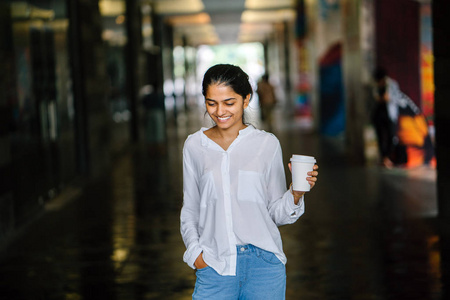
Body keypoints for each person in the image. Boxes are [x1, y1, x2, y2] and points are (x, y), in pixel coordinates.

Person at [180, 64, 319, 299]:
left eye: (229, 102)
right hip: (214, 265)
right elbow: (190, 208)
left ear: (246, 100)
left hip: (264, 267)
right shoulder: (194, 146)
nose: (219, 111)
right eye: (211, 103)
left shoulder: (267, 144)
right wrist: (196, 255)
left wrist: (295, 194)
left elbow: (276, 213)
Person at [372, 67, 435, 168]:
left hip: (404, 118)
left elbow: (388, 99)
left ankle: (388, 159)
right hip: (395, 117)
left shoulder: (391, 86)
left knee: (392, 137)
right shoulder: (379, 90)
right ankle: (386, 158)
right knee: (389, 136)